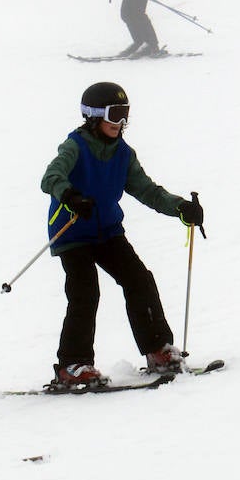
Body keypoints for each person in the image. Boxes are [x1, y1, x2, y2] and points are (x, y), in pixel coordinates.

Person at [41, 82, 205, 389]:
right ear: (92, 116)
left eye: (125, 115)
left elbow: (146, 190)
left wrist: (181, 208)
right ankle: (72, 365)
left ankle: (158, 350)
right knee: (85, 292)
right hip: (73, 232)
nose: (121, 123)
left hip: (107, 232)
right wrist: (71, 195)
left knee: (139, 279)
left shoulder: (123, 154)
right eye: (114, 115)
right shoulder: (75, 146)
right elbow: (50, 177)